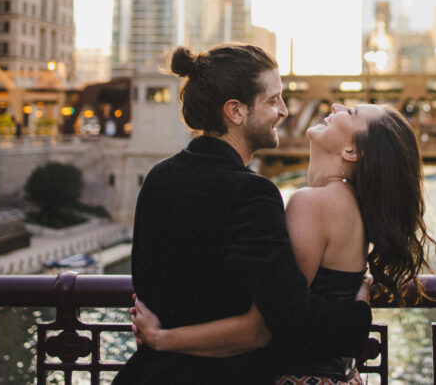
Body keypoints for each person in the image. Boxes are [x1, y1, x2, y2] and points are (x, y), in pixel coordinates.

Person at [113, 44, 373, 385]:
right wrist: (359, 301)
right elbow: (276, 322)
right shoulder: (252, 194)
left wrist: (161, 339)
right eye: (272, 100)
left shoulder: (159, 177)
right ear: (235, 111)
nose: (283, 111)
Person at [130, 101, 436, 384]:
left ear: (351, 152)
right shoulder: (349, 205)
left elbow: (261, 327)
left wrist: (162, 338)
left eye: (352, 112)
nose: (336, 105)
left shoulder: (314, 203)